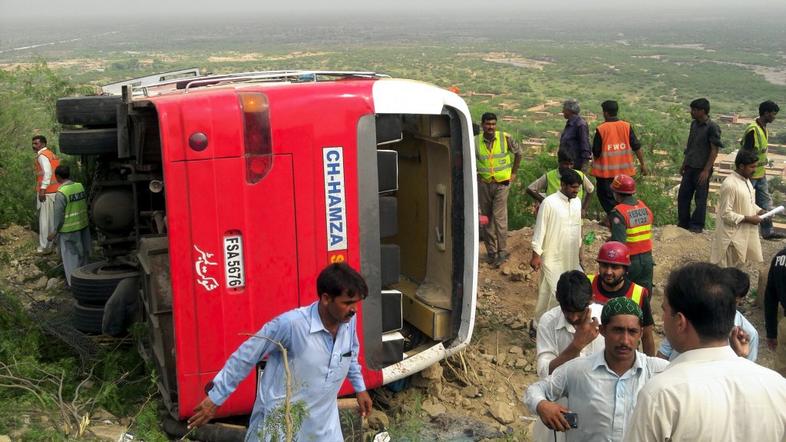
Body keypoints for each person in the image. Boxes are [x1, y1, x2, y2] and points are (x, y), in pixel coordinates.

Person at [187, 263, 373, 441]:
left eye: (356, 303)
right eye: (347, 303)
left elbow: (350, 354)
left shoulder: (347, 321)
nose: (354, 309)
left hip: (323, 428)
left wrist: (360, 388)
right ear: (326, 299)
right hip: (279, 425)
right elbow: (246, 356)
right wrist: (216, 397)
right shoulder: (291, 325)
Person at [624, 263, 786, 441]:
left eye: (664, 310)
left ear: (680, 321)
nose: (662, 319)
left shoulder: (662, 395)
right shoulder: (777, 386)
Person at [525, 297, 669, 442]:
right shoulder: (577, 370)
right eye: (617, 330)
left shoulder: (659, 373)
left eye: (632, 332)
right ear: (603, 330)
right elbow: (535, 390)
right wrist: (542, 405)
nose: (625, 340)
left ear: (641, 334)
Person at [532, 270, 605, 442]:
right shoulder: (548, 322)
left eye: (579, 311)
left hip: (599, 412)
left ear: (591, 299)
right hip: (561, 412)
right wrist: (576, 345)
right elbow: (545, 373)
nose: (573, 317)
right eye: (567, 310)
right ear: (558, 297)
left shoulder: (605, 318)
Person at [658, 267, 759, 362]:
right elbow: (665, 350)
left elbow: (747, 368)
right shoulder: (690, 313)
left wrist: (740, 357)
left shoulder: (749, 334)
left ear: (739, 300)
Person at [531, 169, 584, 328]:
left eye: (578, 188)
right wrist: (536, 254)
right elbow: (540, 229)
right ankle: (537, 326)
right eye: (573, 187)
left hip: (570, 257)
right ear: (562, 185)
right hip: (551, 257)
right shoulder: (549, 203)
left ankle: (557, 327)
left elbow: (577, 229)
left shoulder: (577, 203)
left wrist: (580, 254)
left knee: (562, 293)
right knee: (551, 292)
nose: (576, 191)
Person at [587, 241, 655, 356]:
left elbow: (647, 336)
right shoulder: (587, 284)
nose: (608, 272)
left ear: (625, 269)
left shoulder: (639, 293)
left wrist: (651, 368)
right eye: (604, 265)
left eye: (614, 267)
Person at [476, 112, 523, 267]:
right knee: (486, 218)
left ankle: (502, 251)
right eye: (488, 124)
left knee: (499, 217)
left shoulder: (505, 138)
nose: (491, 127)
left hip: (502, 184)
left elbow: (519, 153)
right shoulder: (475, 141)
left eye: (493, 124)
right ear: (482, 124)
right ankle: (491, 251)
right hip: (484, 184)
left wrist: (514, 173)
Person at [591, 101, 648, 216]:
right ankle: (621, 218)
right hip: (625, 174)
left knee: (606, 197)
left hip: (606, 174)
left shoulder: (602, 129)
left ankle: (615, 219)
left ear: (605, 113)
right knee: (624, 198)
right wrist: (643, 164)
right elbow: (636, 146)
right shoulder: (626, 126)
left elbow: (596, 152)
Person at [709, 149, 764, 267]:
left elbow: (748, 203)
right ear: (741, 166)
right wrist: (749, 219)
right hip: (730, 240)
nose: (754, 170)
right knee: (724, 276)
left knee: (736, 276)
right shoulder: (730, 184)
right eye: (752, 167)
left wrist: (760, 211)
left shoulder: (746, 181)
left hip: (742, 237)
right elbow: (725, 214)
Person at [677, 98, 722, 233]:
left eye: (694, 110)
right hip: (690, 166)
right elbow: (690, 146)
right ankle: (683, 224)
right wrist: (684, 163)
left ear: (703, 111)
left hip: (702, 169)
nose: (692, 112)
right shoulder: (694, 124)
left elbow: (714, 150)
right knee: (683, 196)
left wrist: (706, 170)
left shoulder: (712, 127)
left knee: (700, 199)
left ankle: (696, 226)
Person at [740, 100, 781, 239]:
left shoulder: (763, 127)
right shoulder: (753, 129)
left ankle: (767, 232)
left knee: (765, 204)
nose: (774, 117)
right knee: (746, 204)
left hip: (760, 173)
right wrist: (746, 173)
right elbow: (747, 153)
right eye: (773, 114)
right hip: (750, 175)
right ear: (766, 113)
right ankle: (743, 233)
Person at [608, 175, 654, 296]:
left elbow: (619, 244)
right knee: (643, 293)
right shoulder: (644, 207)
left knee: (625, 293)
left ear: (617, 193)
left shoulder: (619, 212)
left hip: (630, 261)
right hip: (647, 259)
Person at [47, 166, 91, 286]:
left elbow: (58, 215)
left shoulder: (61, 193)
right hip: (83, 226)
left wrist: (54, 231)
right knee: (84, 255)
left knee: (71, 259)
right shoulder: (79, 186)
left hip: (69, 230)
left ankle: (75, 285)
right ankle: (87, 280)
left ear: (58, 177)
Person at [526, 149, 594, 217]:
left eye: (571, 164)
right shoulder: (550, 176)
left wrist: (584, 209)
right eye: (566, 164)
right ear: (559, 162)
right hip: (554, 214)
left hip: (574, 213)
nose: (569, 167)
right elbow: (530, 189)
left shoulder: (579, 175)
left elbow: (590, 190)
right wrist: (544, 201)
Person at [31, 135, 60, 253]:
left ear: (43, 144)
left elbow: (47, 173)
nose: (34, 146)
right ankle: (55, 245)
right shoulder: (51, 154)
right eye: (33, 143)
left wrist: (42, 189)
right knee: (54, 220)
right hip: (55, 190)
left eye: (36, 143)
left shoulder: (42, 156)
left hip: (47, 193)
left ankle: (44, 247)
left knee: (44, 221)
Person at [764, 246, 786, 376]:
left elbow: (770, 298)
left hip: (784, 326)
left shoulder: (779, 257)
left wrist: (771, 332)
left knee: (782, 375)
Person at [559, 99, 591, 172]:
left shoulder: (580, 124)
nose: (562, 111)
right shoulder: (570, 123)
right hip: (566, 164)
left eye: (564, 109)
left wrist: (585, 165)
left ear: (570, 111)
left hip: (575, 165)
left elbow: (585, 144)